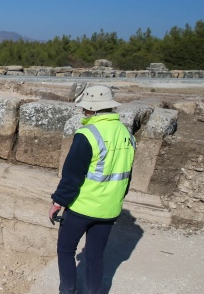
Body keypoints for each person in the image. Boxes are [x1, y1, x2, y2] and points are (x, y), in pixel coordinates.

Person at [48, 85, 136, 294]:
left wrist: (58, 201)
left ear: (91, 110)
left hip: (82, 207)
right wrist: (117, 199)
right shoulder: (126, 133)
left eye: (85, 109)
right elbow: (126, 175)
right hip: (109, 209)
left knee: (66, 250)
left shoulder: (87, 134)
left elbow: (72, 175)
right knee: (95, 256)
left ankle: (67, 290)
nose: (83, 113)